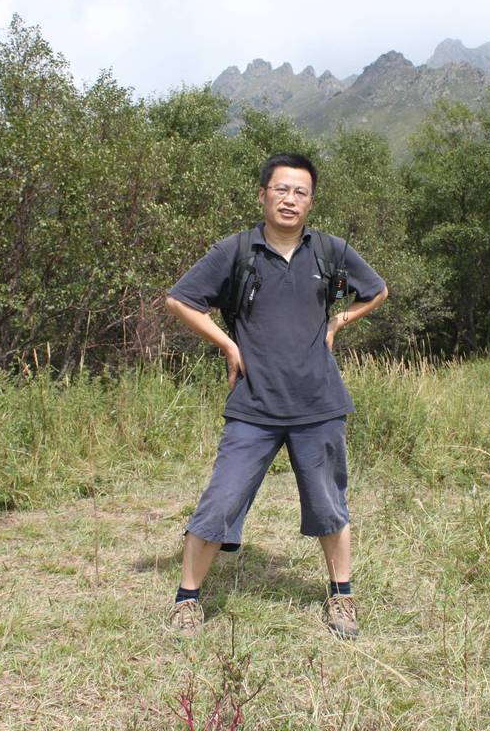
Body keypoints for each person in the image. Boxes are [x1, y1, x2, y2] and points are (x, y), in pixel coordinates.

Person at [163, 153, 387, 640]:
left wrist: (338, 322)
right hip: (254, 406)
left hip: (319, 404)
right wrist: (228, 344)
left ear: (311, 201)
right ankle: (187, 601)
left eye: (300, 192)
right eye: (281, 189)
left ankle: (342, 597)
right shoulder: (236, 250)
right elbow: (179, 300)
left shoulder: (329, 250)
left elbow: (377, 290)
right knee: (219, 501)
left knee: (329, 505)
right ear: (263, 194)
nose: (290, 199)